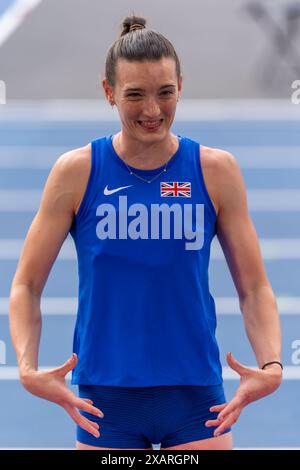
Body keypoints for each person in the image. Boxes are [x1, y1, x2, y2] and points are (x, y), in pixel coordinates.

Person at [9, 14, 283, 451]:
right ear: (108, 92)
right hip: (106, 399)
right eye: (135, 94)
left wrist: (271, 364)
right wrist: (26, 366)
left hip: (195, 395)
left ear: (181, 86)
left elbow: (253, 287)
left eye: (165, 92)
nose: (153, 110)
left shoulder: (215, 171)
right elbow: (25, 285)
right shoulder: (77, 172)